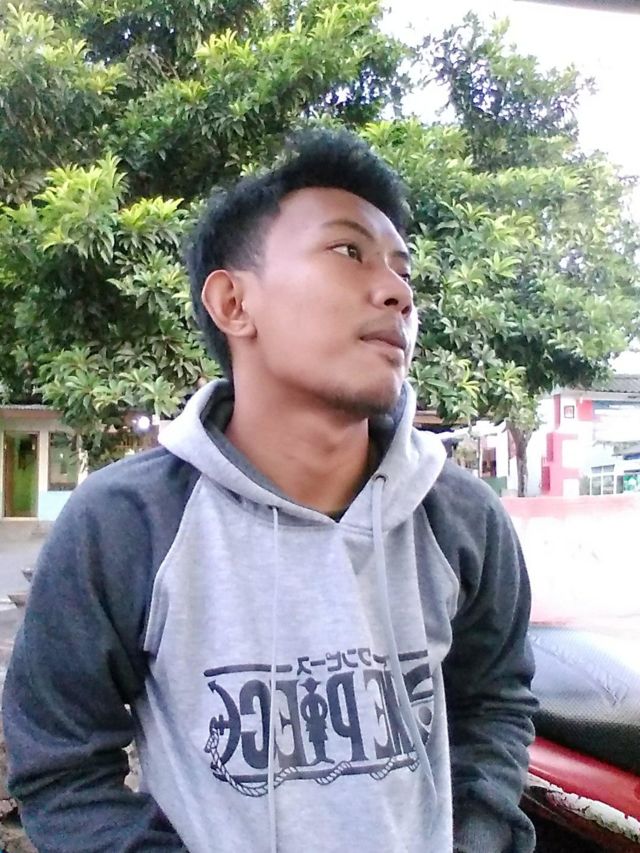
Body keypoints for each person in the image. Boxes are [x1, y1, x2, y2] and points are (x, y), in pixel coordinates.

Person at [2, 129, 537, 852]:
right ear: (233, 302)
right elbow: (61, 767)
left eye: (402, 270)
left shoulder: (461, 517)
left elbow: (494, 701)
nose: (398, 292)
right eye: (348, 250)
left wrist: (476, 837)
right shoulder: (126, 523)